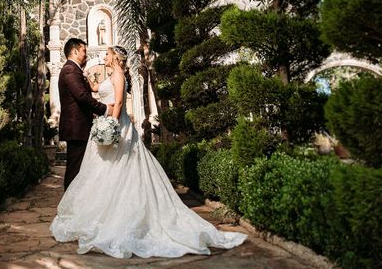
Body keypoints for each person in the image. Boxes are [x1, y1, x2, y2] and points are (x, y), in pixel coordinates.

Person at [51, 45, 247, 258]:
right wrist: (90, 81)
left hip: (117, 126)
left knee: (120, 170)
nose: (103, 56)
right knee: (104, 171)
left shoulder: (118, 75)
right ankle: (100, 214)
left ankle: (120, 217)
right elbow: (98, 91)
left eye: (107, 54)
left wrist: (112, 125)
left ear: (115, 57)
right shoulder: (110, 75)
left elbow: (117, 102)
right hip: (108, 122)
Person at [58, 38, 113, 191]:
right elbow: (82, 97)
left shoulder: (74, 70)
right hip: (76, 128)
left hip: (80, 127)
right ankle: (70, 205)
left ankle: (76, 202)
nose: (86, 54)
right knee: (75, 168)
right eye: (83, 51)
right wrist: (105, 109)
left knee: (80, 167)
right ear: (75, 51)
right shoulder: (69, 70)